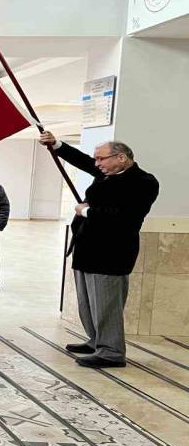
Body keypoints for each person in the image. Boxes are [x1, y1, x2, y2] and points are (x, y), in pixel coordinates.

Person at [39, 132, 159, 368]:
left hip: (111, 253)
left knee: (106, 305)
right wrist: (57, 144)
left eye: (101, 159)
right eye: (96, 159)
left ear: (121, 157)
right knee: (87, 303)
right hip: (86, 248)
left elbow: (125, 218)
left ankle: (111, 352)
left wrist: (85, 211)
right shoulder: (107, 174)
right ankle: (96, 341)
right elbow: (83, 161)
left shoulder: (143, 182)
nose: (97, 164)